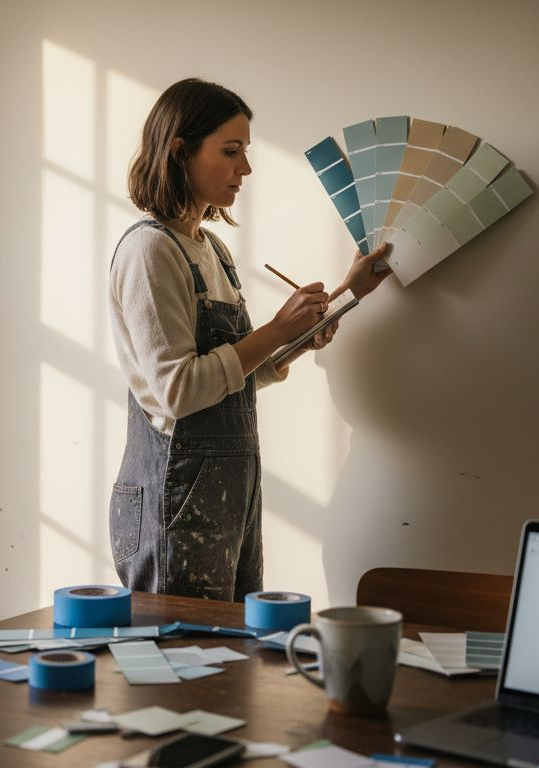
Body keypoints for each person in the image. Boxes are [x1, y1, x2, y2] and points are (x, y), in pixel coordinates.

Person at [107, 78, 389, 600]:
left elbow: (237, 377)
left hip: (225, 497)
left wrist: (347, 294)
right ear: (180, 151)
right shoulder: (150, 252)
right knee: (180, 667)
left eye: (246, 152)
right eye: (231, 151)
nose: (246, 168)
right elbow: (180, 391)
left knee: (224, 665)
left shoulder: (211, 250)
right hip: (174, 501)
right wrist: (279, 329)